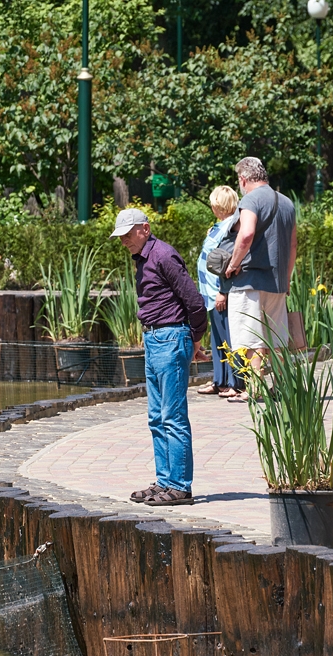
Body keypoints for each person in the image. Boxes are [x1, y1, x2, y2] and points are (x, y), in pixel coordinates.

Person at [111, 208, 208, 507]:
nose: (124, 241)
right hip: (153, 338)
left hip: (170, 337)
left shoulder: (164, 255)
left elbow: (194, 302)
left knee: (173, 416)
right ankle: (165, 481)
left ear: (145, 229)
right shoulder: (143, 258)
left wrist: (194, 339)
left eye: (128, 234)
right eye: (121, 237)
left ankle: (179, 486)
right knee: (156, 417)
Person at [220, 156, 297, 403]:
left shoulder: (250, 200)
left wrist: (233, 264)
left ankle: (254, 389)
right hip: (276, 282)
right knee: (276, 338)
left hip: (249, 280)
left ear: (243, 179)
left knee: (251, 337)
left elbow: (247, 233)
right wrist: (286, 279)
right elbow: (293, 245)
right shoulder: (287, 202)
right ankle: (281, 385)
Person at [195, 185, 244, 399]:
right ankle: (220, 380)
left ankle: (236, 381)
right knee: (217, 338)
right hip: (210, 292)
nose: (212, 207)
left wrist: (222, 291)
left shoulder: (230, 228)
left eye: (214, 203)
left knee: (228, 337)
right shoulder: (218, 226)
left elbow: (225, 260)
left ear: (220, 205)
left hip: (219, 292)